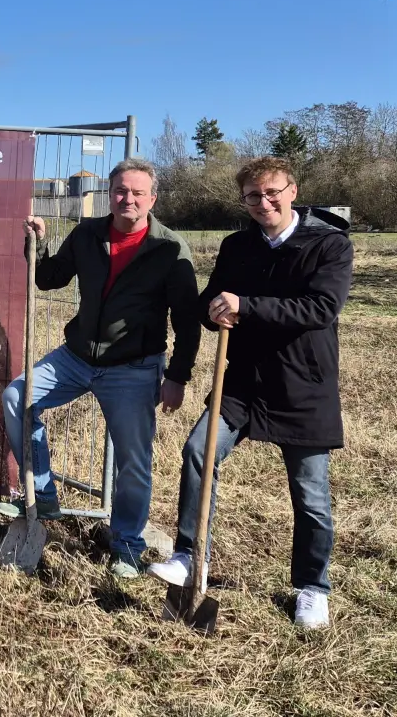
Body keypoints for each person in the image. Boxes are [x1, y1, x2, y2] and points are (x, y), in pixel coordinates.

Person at [147, 156, 352, 630]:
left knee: (310, 495)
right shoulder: (237, 245)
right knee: (199, 452)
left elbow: (321, 307)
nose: (264, 202)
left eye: (272, 192)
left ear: (292, 191)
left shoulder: (329, 244)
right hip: (241, 383)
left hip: (303, 385)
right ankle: (190, 555)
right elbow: (212, 298)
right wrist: (212, 310)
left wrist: (246, 306)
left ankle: (311, 587)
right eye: (253, 196)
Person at [1, 157, 202, 578]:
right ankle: (43, 494)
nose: (127, 199)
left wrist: (177, 377)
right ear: (109, 194)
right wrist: (38, 244)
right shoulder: (88, 233)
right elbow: (49, 279)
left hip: (134, 368)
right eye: (120, 191)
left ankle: (127, 544)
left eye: (137, 192)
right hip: (75, 358)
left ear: (153, 197)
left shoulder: (168, 249)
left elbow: (186, 321)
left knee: (133, 460)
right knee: (17, 397)